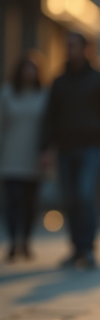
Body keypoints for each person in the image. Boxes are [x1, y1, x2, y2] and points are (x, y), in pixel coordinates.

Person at [40, 32, 100, 269]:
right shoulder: (59, 81)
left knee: (85, 196)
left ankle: (89, 248)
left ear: (86, 49)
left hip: (90, 148)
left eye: (73, 45)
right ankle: (76, 249)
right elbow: (50, 118)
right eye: (67, 45)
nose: (69, 49)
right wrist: (44, 148)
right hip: (65, 148)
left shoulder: (99, 79)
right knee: (70, 199)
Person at [0, 54, 48, 261]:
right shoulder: (7, 94)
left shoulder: (44, 96)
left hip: (34, 158)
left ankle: (26, 242)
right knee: (13, 201)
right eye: (26, 68)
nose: (29, 73)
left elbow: (49, 127)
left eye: (33, 69)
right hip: (11, 157)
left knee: (30, 203)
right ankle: (12, 242)